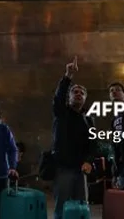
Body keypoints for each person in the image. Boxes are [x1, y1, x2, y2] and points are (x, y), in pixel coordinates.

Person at [51, 58, 96, 219]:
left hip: (81, 170)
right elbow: (58, 98)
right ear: (69, 97)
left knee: (82, 205)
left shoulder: (88, 119)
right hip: (63, 168)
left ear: (85, 99)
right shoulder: (62, 113)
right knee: (61, 206)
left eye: (81, 93)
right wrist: (68, 76)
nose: (78, 94)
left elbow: (93, 144)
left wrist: (89, 161)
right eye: (74, 92)